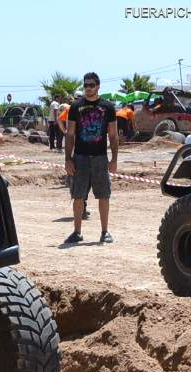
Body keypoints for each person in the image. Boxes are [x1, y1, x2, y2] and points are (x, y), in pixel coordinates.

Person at [64, 72, 119, 244]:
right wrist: (68, 158)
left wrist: (114, 159)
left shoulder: (108, 107)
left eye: (91, 85)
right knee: (78, 195)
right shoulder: (75, 106)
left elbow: (113, 135)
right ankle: (77, 232)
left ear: (98, 86)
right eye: (85, 85)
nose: (88, 88)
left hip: (100, 157)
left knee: (104, 195)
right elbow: (70, 134)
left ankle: (104, 232)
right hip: (80, 157)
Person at [58, 92, 90, 220]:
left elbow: (59, 120)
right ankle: (82, 205)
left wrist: (65, 131)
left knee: (84, 177)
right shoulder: (72, 109)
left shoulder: (74, 109)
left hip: (82, 145)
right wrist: (66, 132)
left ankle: (82, 204)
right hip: (76, 146)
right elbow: (60, 119)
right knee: (78, 177)